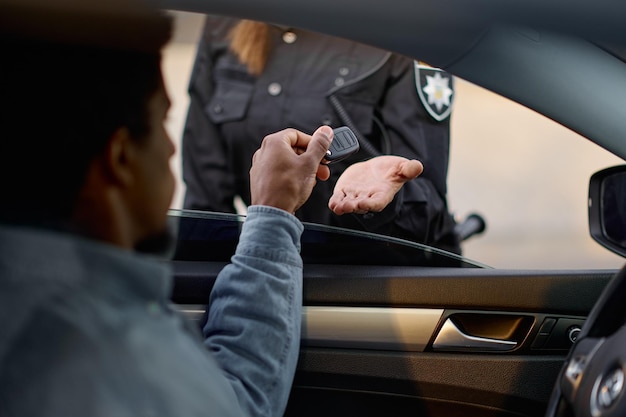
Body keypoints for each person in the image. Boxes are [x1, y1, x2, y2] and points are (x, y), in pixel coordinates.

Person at [0, 1, 335, 416]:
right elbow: (240, 404)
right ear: (120, 157)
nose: (172, 146)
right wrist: (274, 212)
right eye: (163, 122)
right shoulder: (108, 350)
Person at [182, 17, 461, 254]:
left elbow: (428, 209)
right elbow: (204, 206)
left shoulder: (405, 26)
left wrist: (383, 202)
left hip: (364, 285)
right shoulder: (226, 21)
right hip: (263, 265)